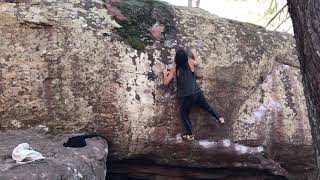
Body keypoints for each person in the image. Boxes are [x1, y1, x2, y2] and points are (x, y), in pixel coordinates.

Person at [163, 48, 224, 140]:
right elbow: (198, 62)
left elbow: (165, 83)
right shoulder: (190, 62)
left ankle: (190, 134)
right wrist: (194, 53)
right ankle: (219, 118)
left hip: (188, 96)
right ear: (186, 58)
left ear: (176, 59)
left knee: (183, 113)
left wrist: (164, 73)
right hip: (197, 91)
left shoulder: (175, 69)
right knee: (207, 106)